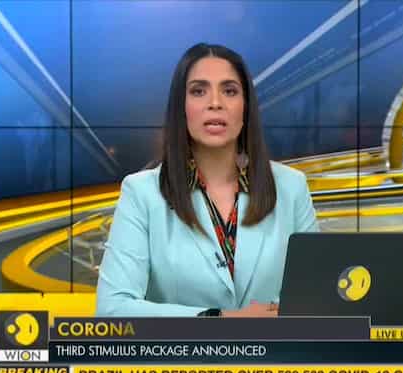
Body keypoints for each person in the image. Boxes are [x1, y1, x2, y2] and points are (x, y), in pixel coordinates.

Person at [95, 43, 319, 317]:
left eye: (229, 91)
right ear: (181, 107)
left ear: (246, 107)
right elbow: (113, 309)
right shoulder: (142, 193)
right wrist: (223, 320)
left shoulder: (291, 187)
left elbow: (316, 300)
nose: (215, 103)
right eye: (199, 91)